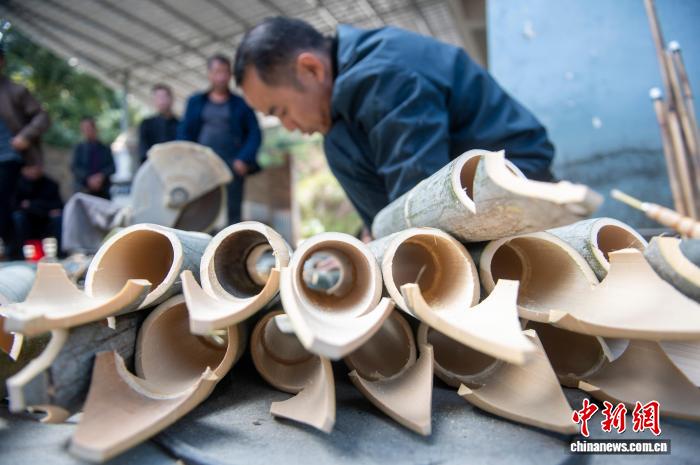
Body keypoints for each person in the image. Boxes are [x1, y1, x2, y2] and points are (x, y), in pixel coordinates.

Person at [234, 17, 556, 231]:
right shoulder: (360, 79)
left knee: (338, 144)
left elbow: (419, 201)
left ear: (311, 69)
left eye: (281, 111)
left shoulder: (384, 75)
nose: (289, 126)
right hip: (486, 181)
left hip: (516, 175)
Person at [178, 54, 262, 224]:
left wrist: (243, 159)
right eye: (217, 72)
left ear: (230, 75)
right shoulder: (195, 102)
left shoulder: (241, 104)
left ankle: (233, 239)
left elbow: (255, 134)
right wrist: (190, 160)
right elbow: (185, 133)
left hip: (232, 162)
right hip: (203, 163)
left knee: (233, 209)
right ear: (209, 74)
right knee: (201, 208)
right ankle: (201, 239)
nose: (221, 77)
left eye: (225, 72)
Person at [0, 42, 51, 258]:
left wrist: (25, 136)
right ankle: (11, 250)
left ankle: (13, 251)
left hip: (11, 158)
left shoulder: (16, 91)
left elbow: (42, 116)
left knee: (5, 204)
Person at [12, 163, 63, 253]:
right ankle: (17, 253)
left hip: (45, 221)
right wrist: (39, 207)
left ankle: (61, 252)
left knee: (58, 218)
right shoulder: (17, 184)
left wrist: (31, 205)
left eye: (36, 167)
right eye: (30, 168)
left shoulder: (50, 184)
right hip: (27, 221)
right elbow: (14, 206)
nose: (33, 171)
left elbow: (57, 205)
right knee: (18, 217)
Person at [71, 117, 116, 200]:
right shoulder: (79, 149)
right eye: (83, 129)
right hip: (84, 190)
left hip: (103, 192)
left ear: (95, 128)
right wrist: (89, 178)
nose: (86, 131)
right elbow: (75, 168)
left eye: (88, 128)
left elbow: (112, 167)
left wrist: (101, 176)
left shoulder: (105, 148)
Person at [138, 83, 179, 162]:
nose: (161, 101)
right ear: (154, 101)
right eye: (158, 97)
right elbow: (143, 152)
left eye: (164, 97)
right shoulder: (146, 124)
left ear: (171, 99)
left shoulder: (180, 125)